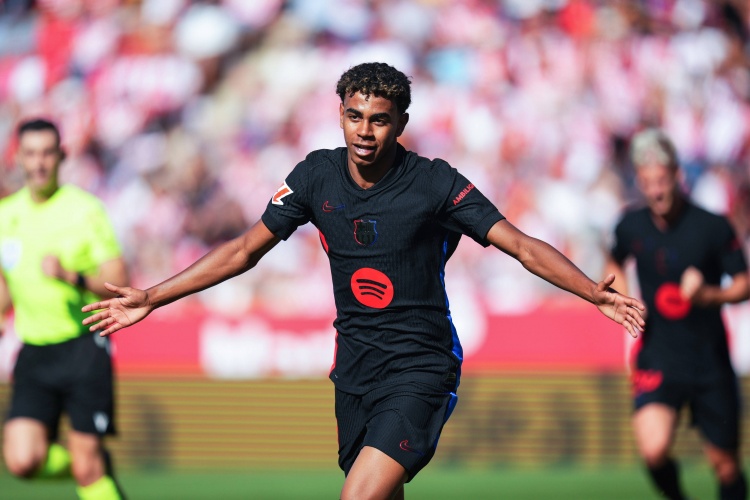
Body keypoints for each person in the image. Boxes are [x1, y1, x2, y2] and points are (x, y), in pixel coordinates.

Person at [82, 62, 645, 500]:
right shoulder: (314, 176)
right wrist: (152, 296)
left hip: (420, 367)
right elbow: (244, 250)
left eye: (379, 119)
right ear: (340, 115)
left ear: (401, 123)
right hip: (355, 369)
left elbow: (518, 244)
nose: (365, 131)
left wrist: (590, 291)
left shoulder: (434, 183)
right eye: (355, 116)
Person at [607, 128, 750, 500]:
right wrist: (623, 297)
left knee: (725, 465)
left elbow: (743, 284)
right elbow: (615, 260)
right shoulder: (630, 225)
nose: (656, 191)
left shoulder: (712, 226)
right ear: (639, 182)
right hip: (659, 355)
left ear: (677, 176)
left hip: (708, 359)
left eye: (662, 181)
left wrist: (708, 294)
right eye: (647, 183)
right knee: (653, 449)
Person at [0, 118, 129, 500]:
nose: (39, 163)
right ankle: (91, 466)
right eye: (31, 154)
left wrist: (71, 276)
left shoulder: (85, 210)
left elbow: (119, 280)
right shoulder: (6, 215)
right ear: (18, 158)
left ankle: (91, 469)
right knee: (22, 460)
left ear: (62, 156)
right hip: (35, 351)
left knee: (87, 467)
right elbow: (5, 283)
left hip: (83, 347)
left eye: (47, 153)